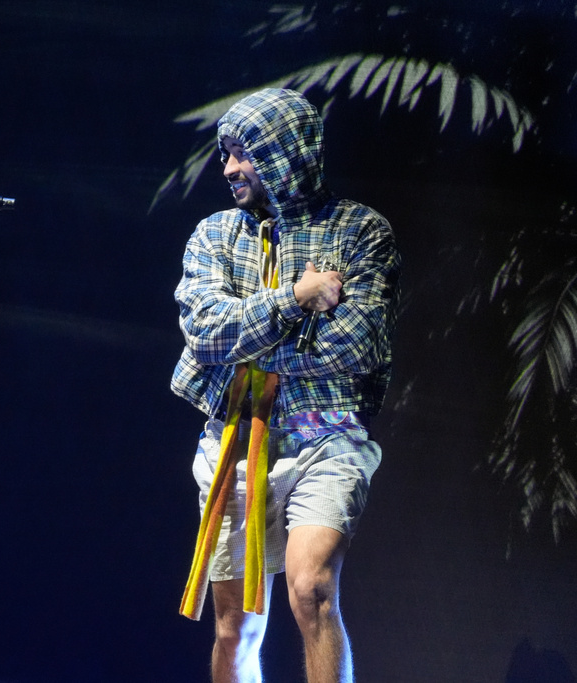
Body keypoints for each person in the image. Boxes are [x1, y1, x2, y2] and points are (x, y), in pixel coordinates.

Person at [172, 89, 401, 683]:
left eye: (241, 153)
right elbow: (205, 334)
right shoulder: (216, 235)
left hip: (326, 439)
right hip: (233, 443)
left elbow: (354, 346)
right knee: (234, 627)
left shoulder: (357, 232)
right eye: (225, 154)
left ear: (281, 153)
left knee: (313, 590)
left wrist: (249, 341)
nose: (227, 169)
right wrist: (297, 298)